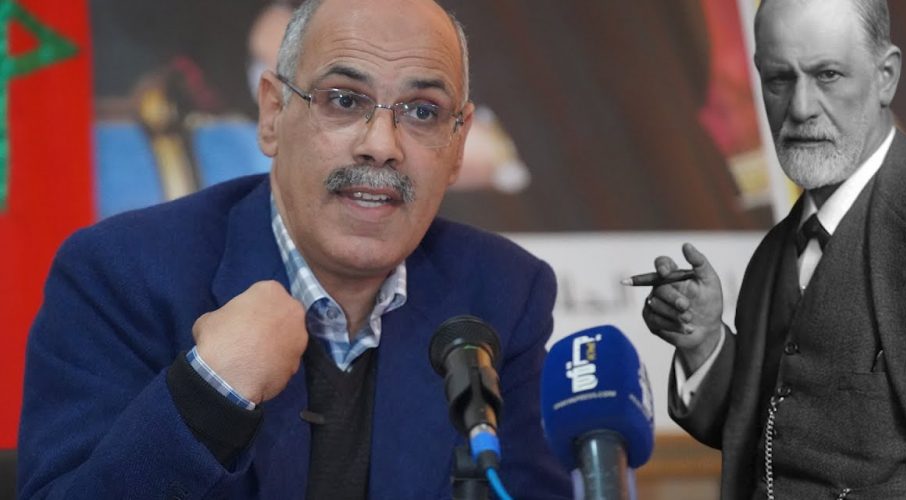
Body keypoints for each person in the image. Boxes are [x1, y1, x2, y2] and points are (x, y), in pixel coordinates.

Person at [17, 0, 572, 498]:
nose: (381, 145)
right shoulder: (121, 275)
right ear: (273, 114)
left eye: (423, 111)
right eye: (344, 100)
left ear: (458, 142)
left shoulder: (501, 292)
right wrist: (209, 393)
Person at [642, 0, 906, 498]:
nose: (800, 107)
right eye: (779, 79)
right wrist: (704, 343)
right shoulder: (772, 255)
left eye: (827, 75)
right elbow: (764, 436)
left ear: (886, 77)